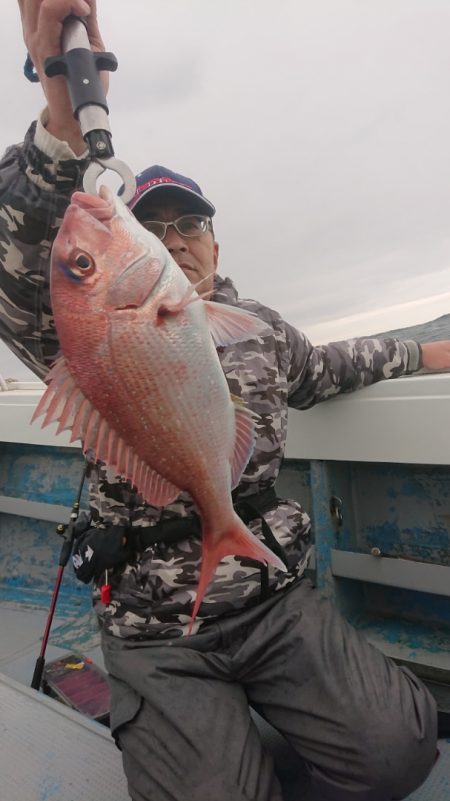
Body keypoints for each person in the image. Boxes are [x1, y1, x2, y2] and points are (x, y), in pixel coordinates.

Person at [2, 2, 450, 799]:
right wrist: (60, 125)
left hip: (270, 598)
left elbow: (331, 365)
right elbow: (21, 265)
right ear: (133, 243)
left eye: (191, 223)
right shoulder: (83, 327)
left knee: (399, 751)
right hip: (151, 623)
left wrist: (427, 351)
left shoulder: (261, 330)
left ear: (216, 245)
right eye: (154, 222)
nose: (174, 236)